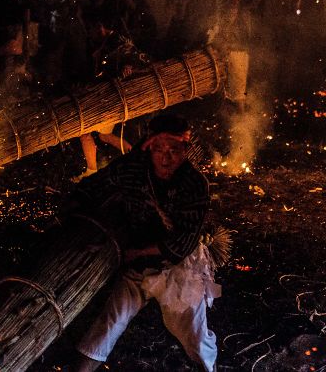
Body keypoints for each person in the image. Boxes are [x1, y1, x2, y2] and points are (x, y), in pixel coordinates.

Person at [73, 113, 218, 372]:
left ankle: (208, 368)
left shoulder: (194, 185)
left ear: (185, 149)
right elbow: (93, 186)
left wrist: (138, 252)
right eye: (159, 149)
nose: (166, 157)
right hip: (137, 264)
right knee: (111, 320)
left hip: (178, 267)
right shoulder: (132, 169)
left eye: (174, 149)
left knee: (193, 333)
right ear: (149, 146)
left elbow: (181, 245)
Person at [73, 13, 150, 182]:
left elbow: (135, 59)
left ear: (99, 27)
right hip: (105, 95)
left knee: (85, 133)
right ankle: (137, 159)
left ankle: (92, 171)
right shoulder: (103, 43)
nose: (90, 35)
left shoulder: (119, 42)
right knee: (103, 136)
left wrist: (128, 67)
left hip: (112, 97)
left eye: (91, 30)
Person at [209, 0, 267, 112]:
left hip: (241, 47)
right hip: (231, 49)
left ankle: (238, 120)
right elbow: (227, 19)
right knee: (235, 93)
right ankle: (236, 124)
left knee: (240, 91)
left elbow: (250, 4)